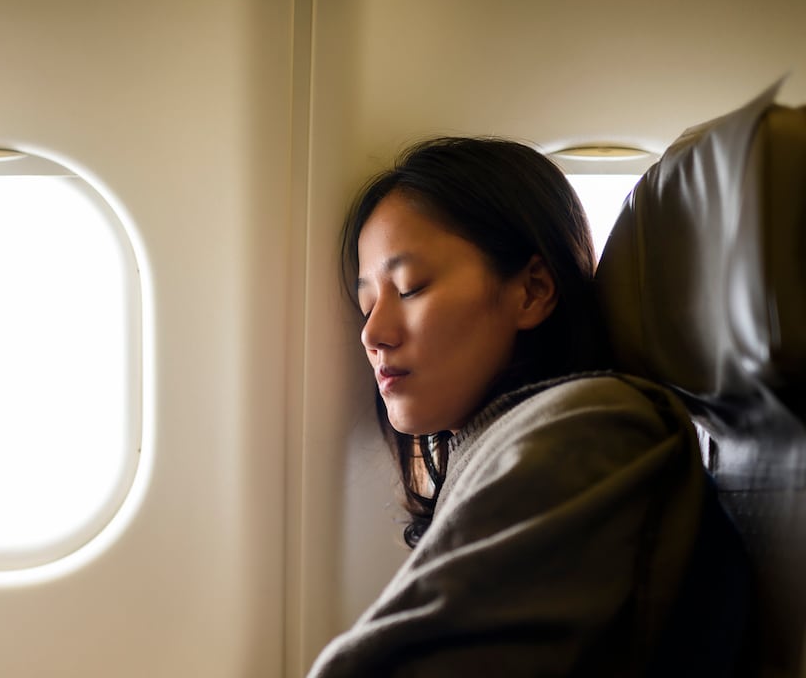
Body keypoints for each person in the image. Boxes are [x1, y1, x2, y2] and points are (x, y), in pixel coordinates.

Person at [307, 137, 750, 677]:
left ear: (533, 290)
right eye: (366, 303)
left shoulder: (595, 432)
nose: (373, 334)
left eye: (410, 287)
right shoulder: (497, 443)